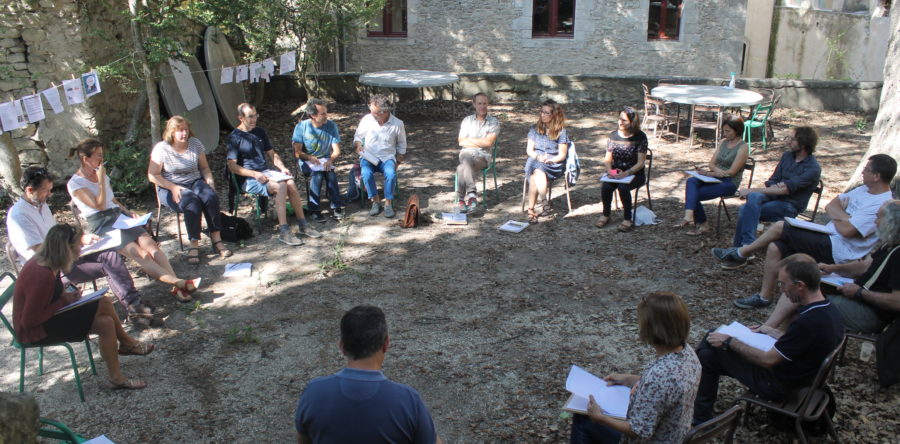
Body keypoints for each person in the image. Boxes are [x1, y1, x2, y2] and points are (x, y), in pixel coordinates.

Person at [713, 154, 896, 309]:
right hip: (827, 235)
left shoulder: (881, 204)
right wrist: (843, 217)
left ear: (877, 176)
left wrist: (840, 217)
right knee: (775, 247)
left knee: (780, 226)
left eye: (867, 169)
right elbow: (830, 205)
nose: (862, 172)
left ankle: (741, 252)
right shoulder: (864, 189)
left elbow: (848, 232)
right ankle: (764, 297)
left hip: (838, 250)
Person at [692, 253, 844, 425]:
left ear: (800, 286)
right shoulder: (829, 310)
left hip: (779, 386)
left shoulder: (807, 322)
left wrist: (729, 341)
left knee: (711, 344)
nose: (781, 289)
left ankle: (698, 416)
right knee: (707, 356)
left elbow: (767, 360)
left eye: (783, 284)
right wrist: (774, 332)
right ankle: (699, 415)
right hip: (804, 379)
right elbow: (804, 344)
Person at [7, 166, 155, 326]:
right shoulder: (19, 215)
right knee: (107, 263)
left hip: (64, 257)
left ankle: (134, 305)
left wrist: (81, 239)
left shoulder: (42, 206)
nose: (49, 195)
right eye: (46, 191)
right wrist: (72, 247)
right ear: (30, 190)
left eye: (50, 190)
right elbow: (39, 252)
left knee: (110, 255)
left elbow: (57, 237)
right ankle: (135, 310)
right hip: (52, 270)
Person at [13, 224, 155, 390]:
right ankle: (125, 347)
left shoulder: (50, 262)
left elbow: (50, 298)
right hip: (36, 331)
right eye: (78, 247)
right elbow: (29, 321)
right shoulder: (41, 274)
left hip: (49, 317)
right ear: (66, 249)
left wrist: (67, 296)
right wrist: (64, 301)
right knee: (104, 310)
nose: (81, 251)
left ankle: (119, 368)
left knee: (105, 316)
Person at [67, 138, 200, 303]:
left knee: (153, 248)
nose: (101, 159)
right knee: (141, 254)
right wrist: (100, 179)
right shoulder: (75, 183)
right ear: (85, 159)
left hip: (118, 216)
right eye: (98, 156)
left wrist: (129, 212)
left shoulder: (100, 172)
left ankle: (177, 286)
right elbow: (100, 205)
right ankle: (179, 283)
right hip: (102, 224)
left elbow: (112, 200)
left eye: (102, 155)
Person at [294, 305, 442, 444]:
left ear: (342, 347)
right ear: (386, 344)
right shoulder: (407, 400)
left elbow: (303, 440)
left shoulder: (313, 392)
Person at [571, 292, 701, 444]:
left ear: (651, 329)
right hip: (675, 433)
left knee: (583, 420)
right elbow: (669, 389)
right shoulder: (689, 353)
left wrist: (601, 418)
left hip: (655, 439)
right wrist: (630, 379)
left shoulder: (658, 376)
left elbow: (638, 431)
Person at [761, 200, 900, 334]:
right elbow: (864, 267)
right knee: (802, 283)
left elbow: (897, 302)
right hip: (858, 297)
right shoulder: (889, 243)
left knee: (805, 295)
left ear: (892, 223)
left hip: (871, 313)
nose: (875, 222)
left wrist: (860, 293)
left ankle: (777, 336)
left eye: (879, 218)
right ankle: (774, 332)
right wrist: (833, 268)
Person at [227, 102, 321, 246]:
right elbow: (232, 166)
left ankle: (303, 225)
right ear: (240, 118)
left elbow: (272, 154)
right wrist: (254, 174)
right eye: (250, 117)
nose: (254, 120)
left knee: (290, 182)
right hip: (248, 178)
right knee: (281, 186)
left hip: (265, 173)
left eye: (255, 116)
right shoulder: (235, 137)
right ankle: (284, 231)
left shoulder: (259, 131)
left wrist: (282, 167)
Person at [148, 115, 231, 265]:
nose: (184, 133)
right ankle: (194, 244)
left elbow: (204, 168)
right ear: (171, 132)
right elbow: (152, 175)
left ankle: (217, 239)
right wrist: (172, 187)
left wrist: (210, 182)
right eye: (179, 130)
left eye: (186, 129)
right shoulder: (162, 148)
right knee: (191, 202)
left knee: (210, 197)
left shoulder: (195, 144)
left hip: (194, 181)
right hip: (169, 185)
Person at [726, 126, 822, 250]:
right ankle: (746, 245)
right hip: (773, 196)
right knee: (754, 197)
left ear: (803, 144)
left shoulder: (813, 169)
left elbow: (786, 189)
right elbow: (773, 180)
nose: (787, 141)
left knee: (746, 209)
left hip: (789, 205)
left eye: (792, 139)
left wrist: (754, 189)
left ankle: (742, 248)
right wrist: (777, 187)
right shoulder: (787, 156)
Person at [674, 115, 749, 236]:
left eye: (728, 131)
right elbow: (711, 163)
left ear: (737, 130)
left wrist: (709, 173)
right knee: (691, 181)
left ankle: (702, 224)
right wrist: (715, 172)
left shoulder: (743, 147)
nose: (725, 134)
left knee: (694, 194)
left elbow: (731, 172)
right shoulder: (723, 142)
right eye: (724, 130)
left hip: (729, 182)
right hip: (716, 176)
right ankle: (689, 216)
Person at [353, 94, 408, 218]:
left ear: (384, 112)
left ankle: (388, 203)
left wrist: (398, 163)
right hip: (368, 156)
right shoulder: (367, 119)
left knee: (391, 173)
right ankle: (375, 201)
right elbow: (358, 136)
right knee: (366, 174)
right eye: (371, 110)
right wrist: (358, 145)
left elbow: (402, 145)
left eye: (375, 112)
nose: (371, 114)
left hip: (387, 157)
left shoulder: (397, 124)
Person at [292, 99, 344, 222]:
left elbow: (336, 150)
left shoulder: (331, 126)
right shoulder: (301, 127)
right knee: (318, 175)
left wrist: (330, 160)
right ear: (313, 116)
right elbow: (297, 152)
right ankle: (314, 209)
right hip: (306, 161)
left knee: (331, 175)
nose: (327, 116)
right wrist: (309, 158)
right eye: (323, 114)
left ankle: (336, 206)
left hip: (324, 160)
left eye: (326, 112)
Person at [596, 107, 648, 232]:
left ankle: (627, 218)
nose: (620, 122)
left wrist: (626, 173)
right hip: (616, 172)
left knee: (623, 188)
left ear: (632, 122)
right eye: (619, 119)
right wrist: (610, 172)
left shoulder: (640, 137)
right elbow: (608, 159)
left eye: (624, 120)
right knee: (606, 187)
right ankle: (606, 214)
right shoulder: (613, 135)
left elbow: (640, 163)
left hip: (635, 173)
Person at [523, 99, 570, 223]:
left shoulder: (561, 131)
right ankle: (544, 202)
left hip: (553, 163)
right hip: (535, 159)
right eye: (541, 112)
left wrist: (550, 160)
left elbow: (562, 155)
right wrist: (538, 157)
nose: (542, 115)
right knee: (537, 167)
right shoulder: (534, 129)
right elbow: (529, 150)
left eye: (546, 113)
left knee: (535, 175)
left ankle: (531, 210)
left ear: (554, 115)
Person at [455, 92, 500, 212]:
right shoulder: (467, 121)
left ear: (488, 104)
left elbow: (488, 143)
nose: (482, 106)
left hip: (483, 157)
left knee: (461, 168)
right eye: (479, 103)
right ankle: (471, 195)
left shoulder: (494, 122)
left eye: (485, 103)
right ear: (474, 104)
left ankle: (460, 199)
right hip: (466, 154)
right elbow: (461, 141)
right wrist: (481, 141)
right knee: (466, 159)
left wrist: (470, 140)